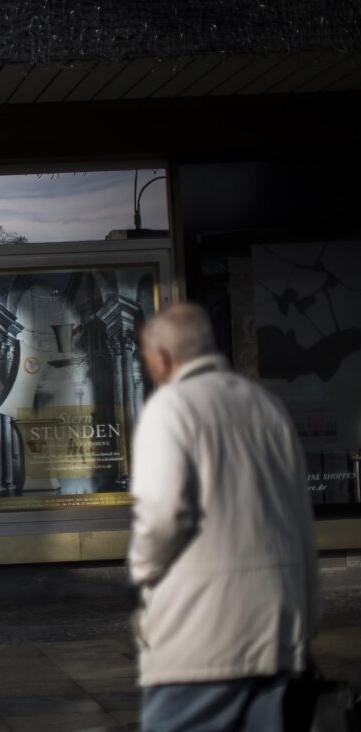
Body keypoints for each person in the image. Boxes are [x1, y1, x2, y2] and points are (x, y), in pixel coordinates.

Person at [128, 303, 320, 731]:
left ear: (162, 356)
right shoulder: (268, 406)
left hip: (201, 637)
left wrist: (143, 573)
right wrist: (307, 617)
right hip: (276, 628)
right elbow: (301, 521)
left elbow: (161, 517)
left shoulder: (169, 408)